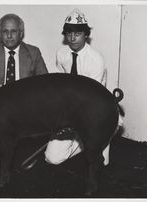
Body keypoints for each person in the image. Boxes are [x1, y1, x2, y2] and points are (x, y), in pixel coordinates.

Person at [44, 8, 111, 166]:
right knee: (52, 159)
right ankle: (83, 143)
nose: (72, 38)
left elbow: (91, 100)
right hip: (70, 109)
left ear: (86, 34)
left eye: (78, 33)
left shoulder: (96, 59)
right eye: (69, 34)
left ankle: (103, 136)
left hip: (94, 110)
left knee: (102, 163)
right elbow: (60, 87)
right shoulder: (61, 53)